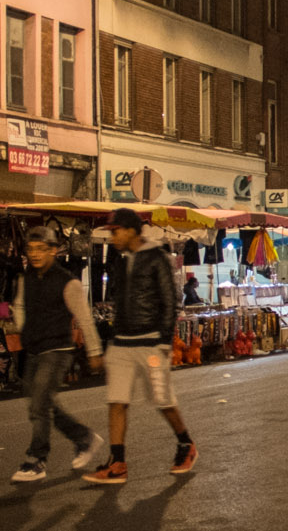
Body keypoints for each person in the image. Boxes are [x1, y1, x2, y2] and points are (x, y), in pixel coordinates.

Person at [83, 208, 196, 485]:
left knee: (162, 399)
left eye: (116, 230)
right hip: (122, 343)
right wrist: (110, 341)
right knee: (116, 400)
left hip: (151, 342)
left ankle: (185, 444)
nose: (112, 237)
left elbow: (170, 301)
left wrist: (165, 341)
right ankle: (118, 462)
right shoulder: (120, 262)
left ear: (132, 230)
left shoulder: (157, 258)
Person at [10, 227, 106, 483]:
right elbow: (18, 305)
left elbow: (85, 319)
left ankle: (36, 459)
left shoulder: (68, 282)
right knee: (40, 403)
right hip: (33, 349)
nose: (34, 254)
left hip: (58, 350)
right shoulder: (26, 277)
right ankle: (83, 437)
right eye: (30, 249)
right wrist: (24, 329)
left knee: (40, 404)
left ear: (54, 250)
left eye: (41, 249)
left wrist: (94, 352)